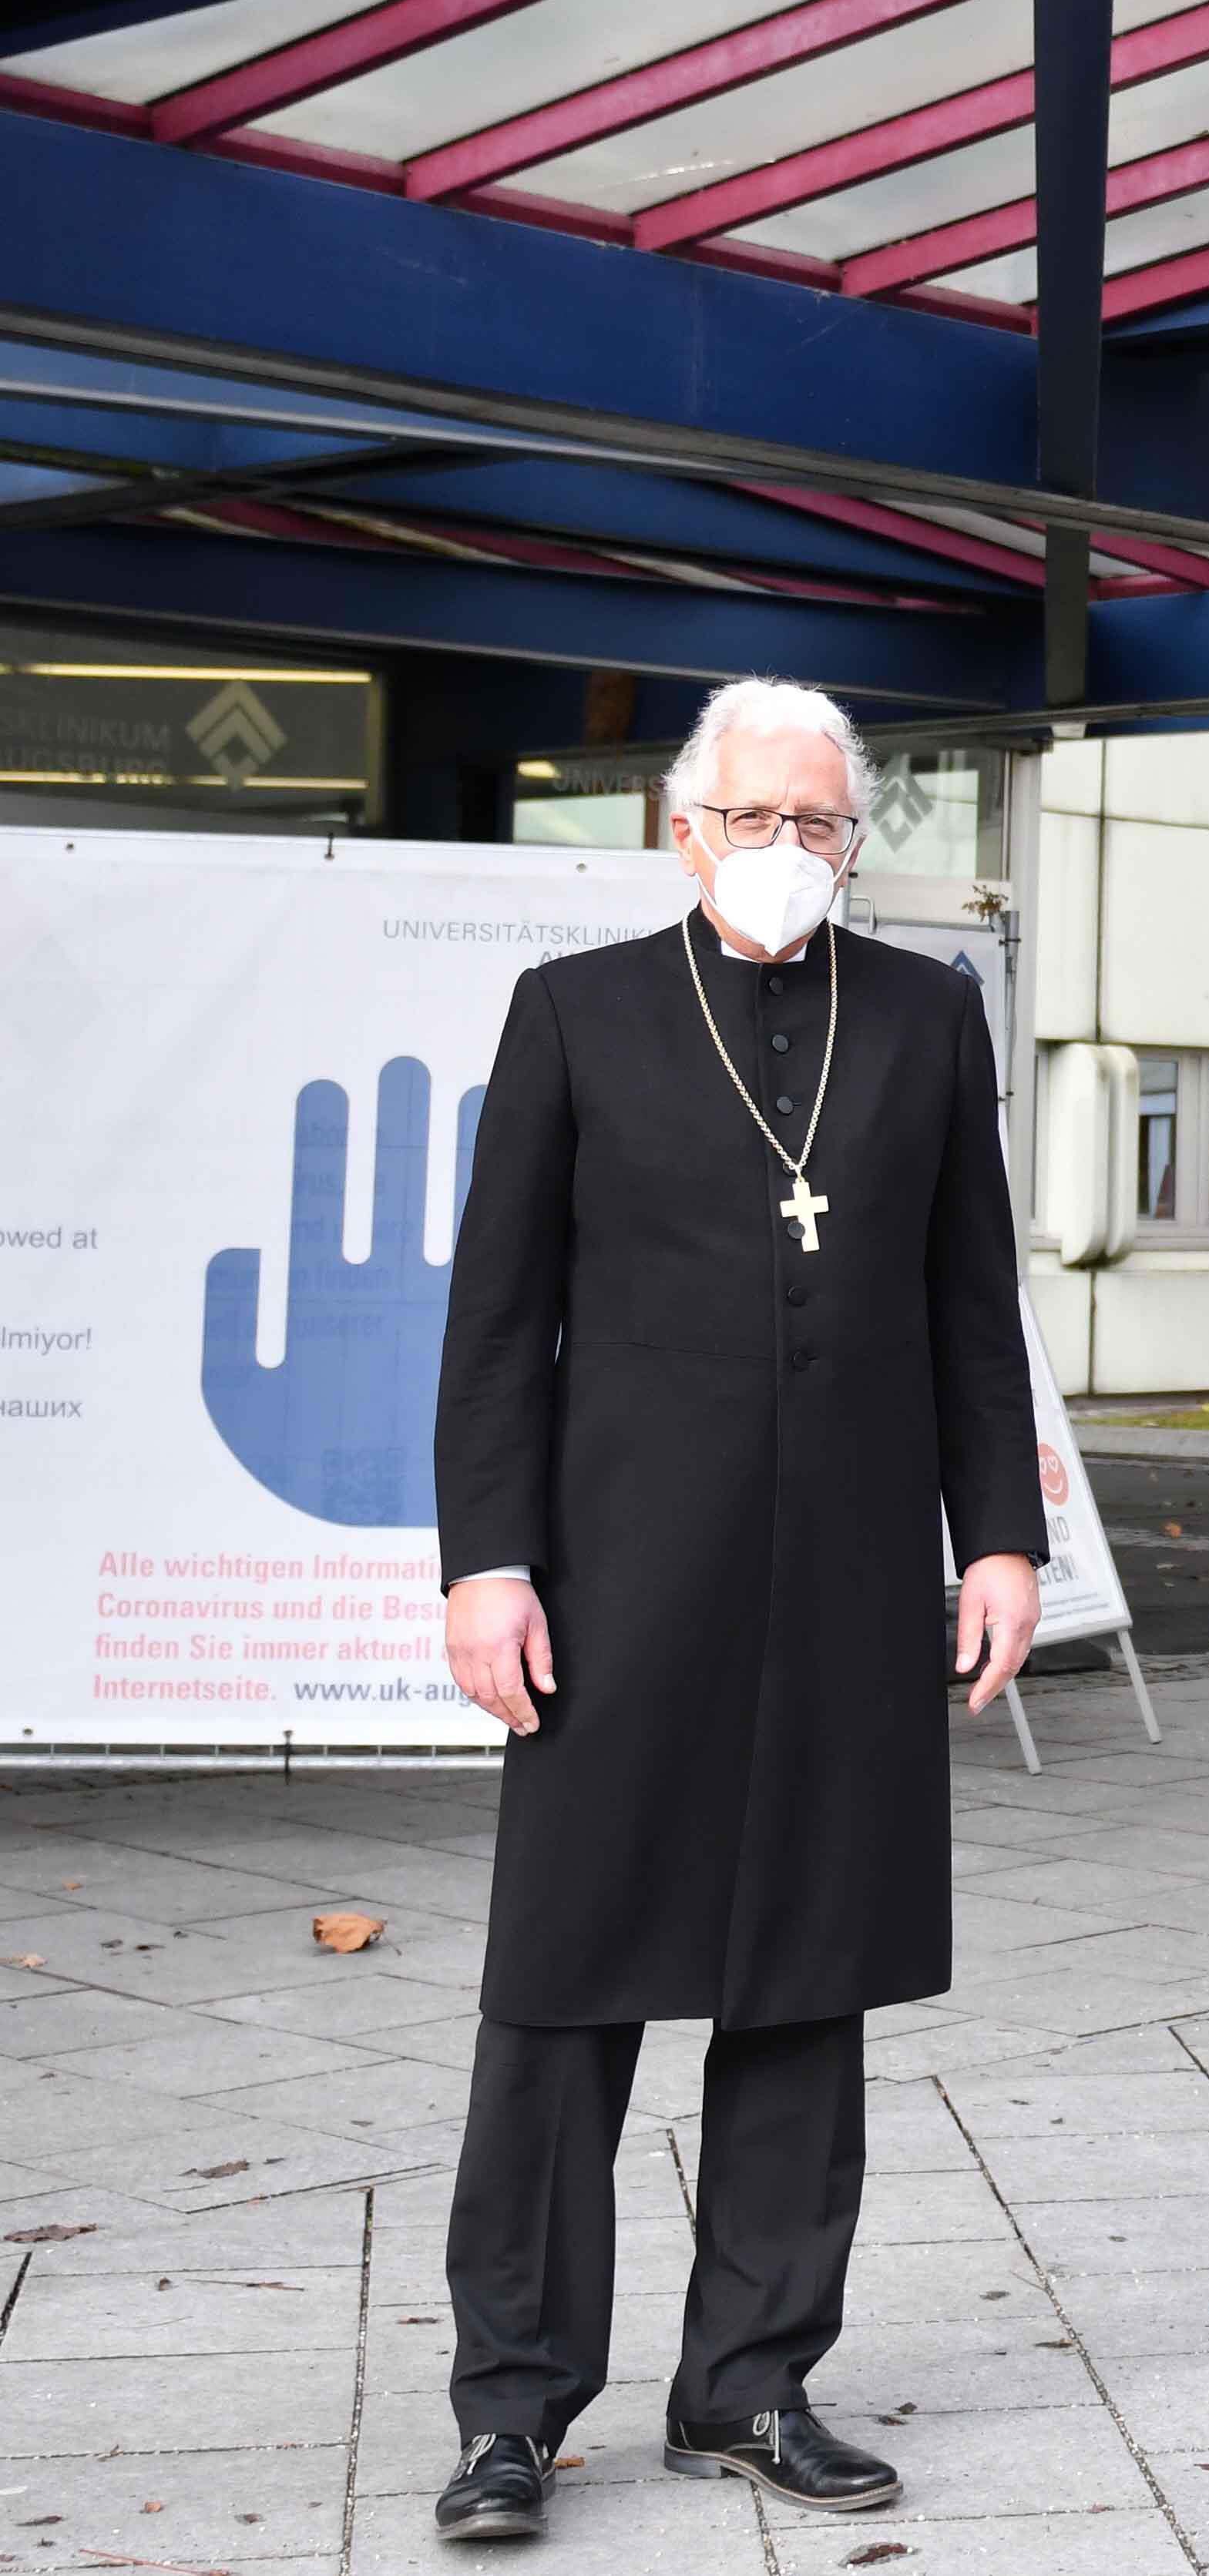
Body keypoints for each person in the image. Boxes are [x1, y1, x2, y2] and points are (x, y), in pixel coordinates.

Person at [425, 677, 1041, 2543]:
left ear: (856, 842)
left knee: (808, 1974)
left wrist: (1001, 1540)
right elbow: (497, 1319)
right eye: (757, 816)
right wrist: (485, 1562)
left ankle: (752, 2381)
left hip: (849, 1579)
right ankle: (515, 2408)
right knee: (565, 1985)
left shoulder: (926, 1017)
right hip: (620, 1578)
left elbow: (970, 1301)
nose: (789, 848)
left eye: (821, 821)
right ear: (683, 829)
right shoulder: (580, 1014)